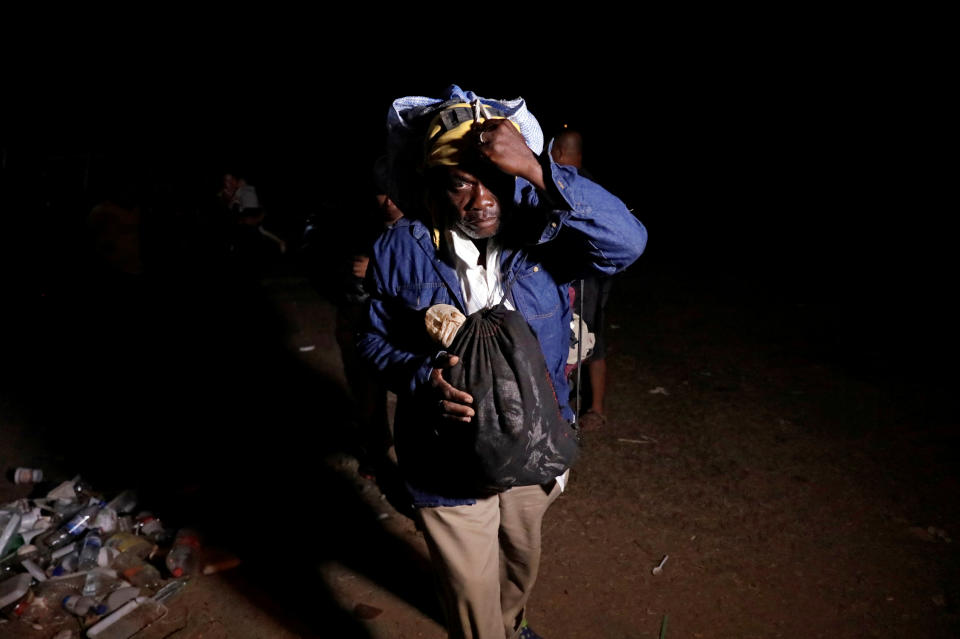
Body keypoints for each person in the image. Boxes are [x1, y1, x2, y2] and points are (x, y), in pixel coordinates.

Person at [358, 86, 646, 639]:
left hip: (532, 443)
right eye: (462, 181)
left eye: (496, 179)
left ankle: (512, 625)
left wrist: (539, 172)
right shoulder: (402, 247)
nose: (483, 200)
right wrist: (423, 377)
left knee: (519, 563)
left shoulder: (543, 235)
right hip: (445, 455)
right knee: (471, 596)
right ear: (434, 184)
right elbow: (374, 339)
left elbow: (626, 243)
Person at [550, 130, 612, 430]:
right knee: (581, 338)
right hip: (583, 276)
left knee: (585, 339)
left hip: (586, 278)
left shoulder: (578, 184)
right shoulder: (587, 181)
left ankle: (592, 409)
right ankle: (577, 405)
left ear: (559, 152)